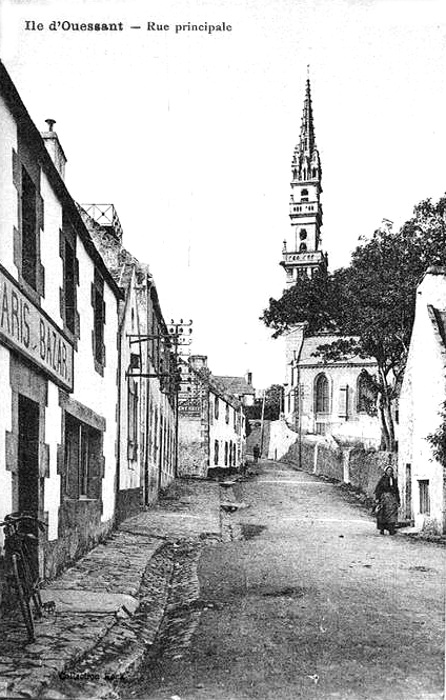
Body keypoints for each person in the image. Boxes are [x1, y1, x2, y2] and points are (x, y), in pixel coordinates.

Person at [374, 466, 400, 535]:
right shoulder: (382, 480)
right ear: (386, 472)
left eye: (391, 471)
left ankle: (391, 529)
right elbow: (378, 489)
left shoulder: (393, 480)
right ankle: (382, 529)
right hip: (384, 498)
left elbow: (396, 490)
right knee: (383, 514)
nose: (390, 472)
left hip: (392, 499)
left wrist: (398, 500)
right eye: (388, 471)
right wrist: (377, 498)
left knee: (392, 514)